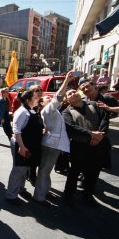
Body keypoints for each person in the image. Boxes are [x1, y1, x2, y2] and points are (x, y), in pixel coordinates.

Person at [62, 89, 111, 204]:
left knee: (94, 171)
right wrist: (91, 134)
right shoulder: (66, 112)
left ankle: (88, 195)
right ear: (67, 99)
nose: (73, 94)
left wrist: (100, 135)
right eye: (69, 94)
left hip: (98, 144)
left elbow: (104, 118)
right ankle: (68, 194)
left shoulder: (94, 104)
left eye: (74, 91)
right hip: (79, 147)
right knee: (75, 171)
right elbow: (71, 126)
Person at [33, 72, 72, 206]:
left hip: (52, 143)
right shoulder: (47, 109)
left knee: (46, 170)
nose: (49, 98)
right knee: (44, 170)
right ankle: (39, 196)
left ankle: (44, 191)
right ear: (41, 104)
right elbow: (59, 96)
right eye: (46, 98)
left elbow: (60, 99)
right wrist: (66, 80)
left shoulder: (50, 110)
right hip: (52, 144)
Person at [5, 91, 44, 204]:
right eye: (35, 97)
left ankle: (20, 189)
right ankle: (11, 195)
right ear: (28, 100)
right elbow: (16, 131)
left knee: (24, 169)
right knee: (18, 169)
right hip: (22, 145)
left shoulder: (32, 110)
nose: (38, 99)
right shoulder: (22, 112)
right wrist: (22, 147)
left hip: (29, 145)